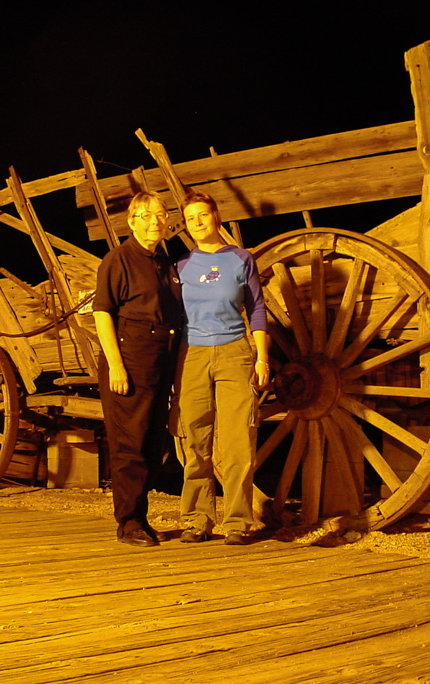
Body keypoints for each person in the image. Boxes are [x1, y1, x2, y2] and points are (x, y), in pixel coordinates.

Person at [171, 190, 269, 546]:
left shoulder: (241, 260)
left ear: (216, 217)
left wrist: (262, 356)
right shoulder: (181, 266)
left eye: (203, 215)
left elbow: (257, 309)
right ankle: (197, 519)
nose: (197, 222)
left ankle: (238, 521)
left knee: (237, 438)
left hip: (234, 351)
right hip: (192, 353)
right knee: (194, 437)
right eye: (190, 218)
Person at [93, 191, 183, 547]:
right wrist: (116, 364)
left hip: (161, 355)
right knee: (129, 440)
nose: (154, 222)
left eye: (159, 216)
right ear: (131, 221)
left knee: (151, 440)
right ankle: (127, 522)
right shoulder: (119, 259)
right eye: (146, 216)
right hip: (131, 356)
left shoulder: (163, 261)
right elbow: (102, 312)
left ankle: (140, 518)